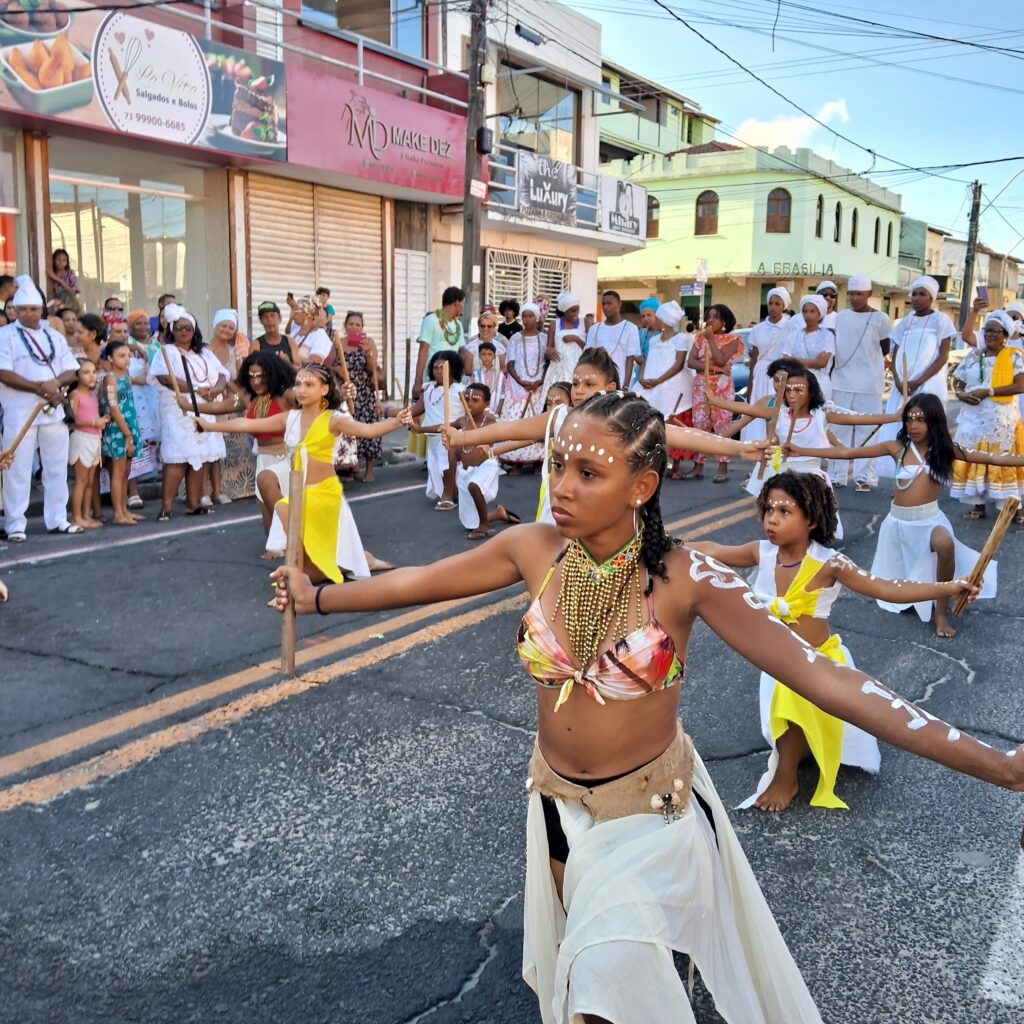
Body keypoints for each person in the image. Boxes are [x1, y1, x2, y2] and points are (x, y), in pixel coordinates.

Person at [272, 389, 1024, 1024]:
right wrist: (319, 596)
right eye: (559, 465)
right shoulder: (532, 550)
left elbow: (829, 681)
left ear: (642, 485)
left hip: (648, 815)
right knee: (584, 984)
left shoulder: (685, 575)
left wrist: (996, 764)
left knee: (603, 985)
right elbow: (414, 582)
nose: (560, 486)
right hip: (558, 809)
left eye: (588, 472)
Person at [694, 471, 975, 813]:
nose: (772, 519)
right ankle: (797, 756)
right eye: (769, 509)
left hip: (819, 660)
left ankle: (786, 777)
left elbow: (887, 588)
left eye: (785, 511)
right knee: (788, 694)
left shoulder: (830, 564)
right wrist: (670, 544)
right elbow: (714, 551)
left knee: (795, 694)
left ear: (811, 519)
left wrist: (945, 587)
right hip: (776, 659)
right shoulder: (763, 553)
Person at [787, 393, 1023, 638]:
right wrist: (800, 449)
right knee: (903, 575)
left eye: (920, 420)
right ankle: (916, 595)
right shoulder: (897, 448)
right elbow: (849, 453)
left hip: (930, 520)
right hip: (898, 523)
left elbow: (993, 458)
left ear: (934, 422)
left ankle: (940, 612)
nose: (913, 425)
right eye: (909, 419)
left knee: (945, 544)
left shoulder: (946, 451)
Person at [201, 363, 411, 582]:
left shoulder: (333, 419)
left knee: (315, 570)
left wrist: (396, 422)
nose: (301, 389)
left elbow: (368, 430)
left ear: (324, 389)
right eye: (298, 383)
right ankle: (317, 569)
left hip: (324, 496)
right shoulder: (290, 418)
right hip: (300, 493)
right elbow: (247, 423)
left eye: (309, 384)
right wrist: (209, 427)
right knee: (286, 513)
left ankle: (351, 563)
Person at [0, 276, 83, 541]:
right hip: (19, 412)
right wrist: (40, 388)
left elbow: (72, 369)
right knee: (18, 469)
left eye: (33, 309)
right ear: (15, 310)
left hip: (53, 411)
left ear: (41, 309)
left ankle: (57, 519)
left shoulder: (54, 336)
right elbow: (3, 373)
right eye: (21, 309)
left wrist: (55, 383)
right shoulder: (4, 335)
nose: (27, 314)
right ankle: (15, 524)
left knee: (56, 467)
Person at [148, 305, 228, 520]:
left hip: (205, 407)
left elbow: (222, 374)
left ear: (195, 331)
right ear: (172, 330)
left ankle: (193, 504)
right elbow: (164, 377)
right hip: (178, 410)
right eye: (180, 328)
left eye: (188, 328)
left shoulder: (205, 352)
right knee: (177, 458)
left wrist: (216, 390)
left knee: (199, 457)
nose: (184, 332)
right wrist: (194, 388)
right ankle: (166, 507)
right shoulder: (166, 352)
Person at [949, 309, 1024, 522]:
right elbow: (958, 380)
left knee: (1002, 462)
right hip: (973, 418)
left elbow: (1020, 385)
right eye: (987, 331)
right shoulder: (974, 355)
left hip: (1000, 419)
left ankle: (1011, 508)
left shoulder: (1013, 356)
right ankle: (978, 506)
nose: (990, 335)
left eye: (995, 331)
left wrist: (989, 392)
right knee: (973, 458)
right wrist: (961, 394)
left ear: (1005, 335)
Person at [877, 276, 955, 450]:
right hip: (903, 385)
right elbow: (895, 354)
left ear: (931, 297)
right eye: (914, 294)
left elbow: (943, 356)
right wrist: (899, 381)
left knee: (927, 425)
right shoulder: (905, 321)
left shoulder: (941, 320)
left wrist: (918, 381)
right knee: (901, 425)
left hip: (928, 384)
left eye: (922, 294)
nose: (917, 298)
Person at [829, 276, 891, 491]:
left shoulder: (880, 318)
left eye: (859, 294)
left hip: (869, 383)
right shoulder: (840, 317)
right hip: (841, 380)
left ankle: (864, 477)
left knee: (867, 430)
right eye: (852, 294)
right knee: (838, 429)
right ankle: (836, 475)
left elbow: (885, 347)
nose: (855, 298)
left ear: (869, 294)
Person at [685, 302, 744, 483]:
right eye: (709, 316)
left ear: (725, 321)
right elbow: (691, 362)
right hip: (701, 385)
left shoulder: (733, 340)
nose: (711, 320)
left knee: (721, 425)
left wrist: (711, 341)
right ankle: (698, 465)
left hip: (721, 388)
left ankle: (723, 465)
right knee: (701, 423)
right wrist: (716, 369)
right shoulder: (699, 338)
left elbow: (720, 358)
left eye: (715, 317)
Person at [453, 382, 519, 539]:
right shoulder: (463, 421)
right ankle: (497, 514)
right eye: (467, 399)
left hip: (486, 465)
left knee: (474, 486)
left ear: (486, 403)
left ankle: (485, 526)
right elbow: (443, 427)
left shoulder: (491, 421)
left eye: (475, 400)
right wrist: (419, 429)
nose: (469, 403)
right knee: (469, 524)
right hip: (465, 470)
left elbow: (512, 432)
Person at [329, 311, 384, 483]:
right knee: (347, 430)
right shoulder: (337, 342)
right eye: (351, 324)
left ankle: (369, 469)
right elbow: (327, 365)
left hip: (364, 392)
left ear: (362, 327)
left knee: (368, 429)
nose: (354, 327)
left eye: (358, 325)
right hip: (344, 393)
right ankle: (351, 466)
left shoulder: (369, 343)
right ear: (345, 326)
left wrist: (368, 354)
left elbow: (372, 369)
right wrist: (336, 369)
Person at [409, 350, 464, 510]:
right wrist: (386, 411)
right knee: (437, 468)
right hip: (432, 438)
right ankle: (452, 493)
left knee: (446, 459)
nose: (439, 371)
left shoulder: (461, 390)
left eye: (443, 367)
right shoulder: (428, 389)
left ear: (453, 368)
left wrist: (421, 429)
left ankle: (448, 496)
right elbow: (414, 410)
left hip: (452, 437)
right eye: (435, 368)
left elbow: (465, 419)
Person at [500, 302, 548, 470]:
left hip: (539, 387)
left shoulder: (544, 338)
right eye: (525, 316)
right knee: (518, 424)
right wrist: (521, 382)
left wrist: (540, 381)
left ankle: (538, 461)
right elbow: (510, 363)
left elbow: (548, 363)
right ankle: (517, 462)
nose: (527, 320)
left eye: (531, 316)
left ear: (537, 318)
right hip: (518, 387)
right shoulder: (515, 338)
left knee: (538, 424)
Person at [100, 339, 143, 526]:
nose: (127, 360)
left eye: (128, 356)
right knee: (117, 472)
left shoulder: (125, 375)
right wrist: (126, 434)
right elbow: (114, 408)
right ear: (110, 358)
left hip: (129, 425)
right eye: (121, 356)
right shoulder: (110, 379)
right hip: (118, 429)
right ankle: (118, 513)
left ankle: (124, 510)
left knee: (126, 470)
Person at [743, 287, 791, 443]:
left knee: (777, 410)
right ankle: (758, 447)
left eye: (777, 303)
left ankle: (775, 443)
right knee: (758, 408)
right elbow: (754, 358)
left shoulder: (791, 327)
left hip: (780, 373)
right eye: (770, 303)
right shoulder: (758, 328)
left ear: (784, 306)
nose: (773, 307)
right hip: (761, 373)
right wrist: (750, 385)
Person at [633, 300, 692, 425]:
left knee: (668, 412)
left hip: (671, 385)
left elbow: (679, 365)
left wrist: (659, 381)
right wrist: (641, 377)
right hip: (651, 383)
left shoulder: (681, 339)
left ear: (665, 321)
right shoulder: (654, 340)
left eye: (657, 317)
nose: (654, 320)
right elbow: (646, 362)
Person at [66, 358, 108, 530]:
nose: (91, 376)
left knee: (91, 481)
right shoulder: (75, 395)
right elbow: (70, 422)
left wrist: (100, 422)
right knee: (81, 481)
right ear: (76, 376)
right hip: (81, 439)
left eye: (93, 372)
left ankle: (86, 515)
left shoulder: (92, 395)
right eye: (85, 372)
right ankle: (76, 517)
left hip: (94, 439)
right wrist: (94, 422)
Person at [413, 287, 468, 399]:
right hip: (433, 378)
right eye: (463, 303)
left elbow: (462, 350)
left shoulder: (458, 325)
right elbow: (423, 352)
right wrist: (417, 381)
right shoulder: (430, 320)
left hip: (452, 380)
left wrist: (461, 372)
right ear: (457, 302)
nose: (463, 307)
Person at [584, 291, 641, 389]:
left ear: (619, 304)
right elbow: (590, 356)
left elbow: (630, 359)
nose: (605, 307)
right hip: (598, 381)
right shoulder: (594, 329)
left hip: (621, 381)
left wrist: (626, 385)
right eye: (603, 304)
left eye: (609, 303)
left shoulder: (631, 328)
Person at [786, 295, 835, 402]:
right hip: (796, 384)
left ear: (819, 313)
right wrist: (813, 362)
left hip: (820, 385)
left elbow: (822, 363)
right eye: (805, 311)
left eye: (812, 311)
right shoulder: (793, 335)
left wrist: (794, 360)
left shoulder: (827, 335)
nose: (808, 315)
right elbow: (785, 360)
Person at [541, 292, 586, 396]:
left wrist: (576, 339)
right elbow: (548, 349)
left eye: (577, 309)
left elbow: (590, 349)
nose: (576, 313)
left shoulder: (585, 323)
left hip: (578, 368)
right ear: (564, 311)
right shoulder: (554, 324)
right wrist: (549, 351)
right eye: (572, 310)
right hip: (558, 370)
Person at [250, 301, 300, 366]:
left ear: (279, 318)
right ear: (261, 320)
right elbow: (251, 369)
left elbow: (299, 370)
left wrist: (287, 363)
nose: (269, 320)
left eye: (272, 315)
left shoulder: (290, 342)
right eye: (265, 317)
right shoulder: (256, 344)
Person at [292, 297, 333, 365]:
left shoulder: (320, 335)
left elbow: (315, 363)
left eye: (296, 312)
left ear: (307, 315)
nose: (293, 315)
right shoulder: (295, 330)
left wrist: (291, 356)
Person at [471, 341, 504, 412]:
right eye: (483, 354)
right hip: (480, 413)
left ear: (494, 356)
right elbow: (472, 395)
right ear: (479, 356)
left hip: (495, 412)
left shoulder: (500, 375)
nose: (486, 357)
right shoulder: (475, 374)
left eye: (489, 354)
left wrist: (497, 413)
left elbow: (502, 396)